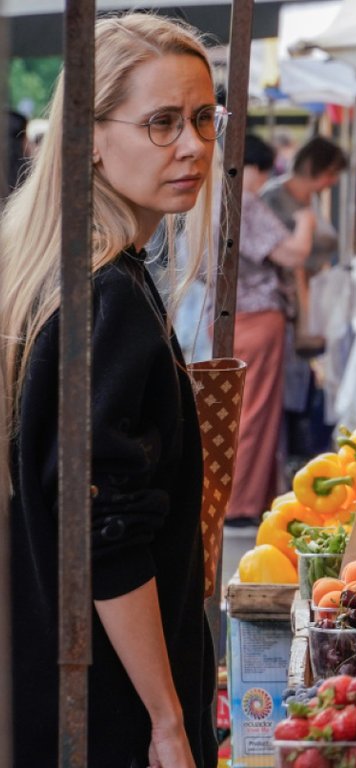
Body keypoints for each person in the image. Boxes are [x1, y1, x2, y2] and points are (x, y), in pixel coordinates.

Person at [0, 13, 223, 765]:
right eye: (162, 123)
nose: (192, 144)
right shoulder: (107, 299)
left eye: (201, 117)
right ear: (90, 138)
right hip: (108, 717)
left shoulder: (53, 281)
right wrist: (166, 718)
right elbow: (103, 531)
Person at [226, 134, 316, 525]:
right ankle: (242, 504)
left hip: (231, 317)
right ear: (254, 169)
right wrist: (305, 223)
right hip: (257, 317)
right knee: (253, 413)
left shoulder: (212, 201)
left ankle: (243, 499)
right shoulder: (243, 200)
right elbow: (293, 252)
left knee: (239, 411)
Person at [260, 136, 344, 454]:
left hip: (303, 301)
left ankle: (289, 455)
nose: (332, 182)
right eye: (331, 173)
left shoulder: (307, 203)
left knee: (295, 387)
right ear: (317, 168)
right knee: (278, 393)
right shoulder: (274, 200)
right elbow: (291, 256)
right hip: (282, 304)